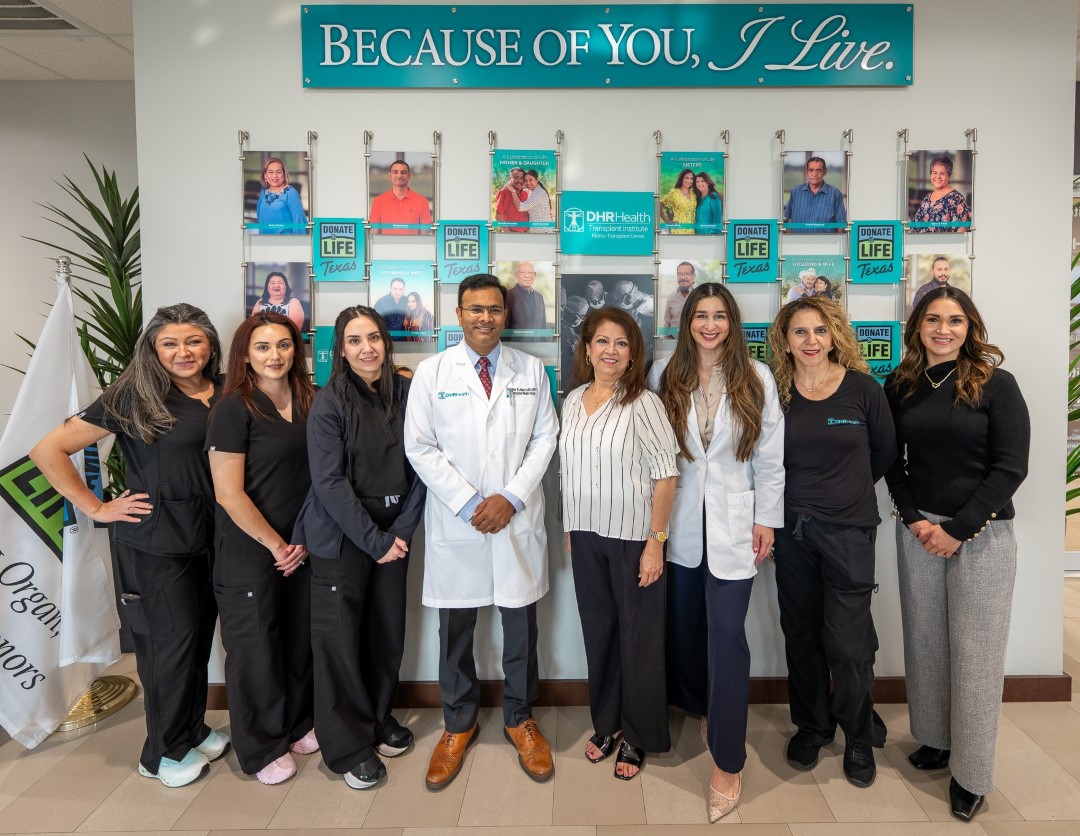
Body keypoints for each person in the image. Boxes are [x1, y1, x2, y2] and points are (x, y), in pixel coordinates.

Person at [30, 304, 227, 788]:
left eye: (194, 341)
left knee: (199, 640)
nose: (184, 352)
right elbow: (47, 449)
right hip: (157, 543)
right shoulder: (134, 395)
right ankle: (160, 753)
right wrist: (96, 507)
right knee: (168, 647)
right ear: (153, 349)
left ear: (210, 344)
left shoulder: (224, 390)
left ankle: (191, 728)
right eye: (171, 343)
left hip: (214, 536)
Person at [405, 273, 559, 790]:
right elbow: (420, 447)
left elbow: (545, 439)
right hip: (460, 521)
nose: (485, 318)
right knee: (456, 634)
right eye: (475, 309)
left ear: (505, 314)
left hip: (513, 519)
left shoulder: (531, 371)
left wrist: (510, 498)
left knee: (520, 631)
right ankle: (458, 723)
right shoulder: (432, 373)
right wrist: (472, 501)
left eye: (494, 309)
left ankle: (520, 718)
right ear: (459, 313)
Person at [884, 287, 1029, 822]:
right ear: (917, 326)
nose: (944, 329)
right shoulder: (901, 384)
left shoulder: (997, 384)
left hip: (982, 536)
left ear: (971, 327)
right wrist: (915, 519)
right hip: (919, 530)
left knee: (976, 655)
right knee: (926, 642)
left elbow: (1011, 466)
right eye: (933, 319)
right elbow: (891, 462)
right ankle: (938, 740)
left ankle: (971, 775)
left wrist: (959, 529)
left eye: (956, 320)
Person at [651, 283, 784, 820]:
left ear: (733, 322)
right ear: (687, 322)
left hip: (735, 525)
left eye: (720, 316)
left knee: (728, 637)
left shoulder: (758, 377)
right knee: (685, 629)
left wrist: (767, 520)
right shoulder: (665, 374)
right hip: (679, 525)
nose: (710, 325)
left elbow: (771, 455)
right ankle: (704, 706)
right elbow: (654, 453)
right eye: (700, 315)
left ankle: (728, 761)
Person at [767, 296, 896, 790]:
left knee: (847, 641)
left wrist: (844, 495)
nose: (811, 341)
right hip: (792, 530)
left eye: (820, 330)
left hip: (849, 532)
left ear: (835, 334)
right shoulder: (777, 393)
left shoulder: (863, 390)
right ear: (786, 340)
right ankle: (813, 726)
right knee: (800, 634)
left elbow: (883, 453)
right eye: (800, 332)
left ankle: (858, 736)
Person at [296, 306, 427, 790]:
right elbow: (328, 484)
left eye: (373, 337)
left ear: (385, 342)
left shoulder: (408, 393)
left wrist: (403, 533)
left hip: (394, 538)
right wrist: (374, 541)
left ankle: (376, 719)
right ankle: (347, 745)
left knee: (385, 635)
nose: (367, 348)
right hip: (343, 539)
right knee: (339, 643)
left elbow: (424, 468)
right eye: (354, 341)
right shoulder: (329, 402)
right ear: (341, 349)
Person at [561, 307, 679, 781]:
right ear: (587, 349)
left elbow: (667, 474)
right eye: (602, 342)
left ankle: (638, 733)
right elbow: (567, 471)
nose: (611, 351)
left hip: (634, 539)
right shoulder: (571, 400)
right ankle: (606, 724)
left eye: (622, 344)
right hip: (586, 536)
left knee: (639, 639)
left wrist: (656, 542)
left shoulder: (643, 403)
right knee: (600, 634)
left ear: (633, 355)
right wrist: (570, 526)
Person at [205, 312, 315, 785]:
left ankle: (294, 724)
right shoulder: (233, 408)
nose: (276, 355)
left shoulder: (309, 399)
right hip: (252, 549)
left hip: (302, 546)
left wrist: (301, 541)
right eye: (264, 347)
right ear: (245, 355)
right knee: (255, 648)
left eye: (284, 345)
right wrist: (275, 544)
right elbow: (229, 493)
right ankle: (260, 745)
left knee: (296, 640)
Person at [784, 156, 847, 233]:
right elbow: (789, 220)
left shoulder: (835, 194)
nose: (814, 174)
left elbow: (841, 225)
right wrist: (790, 242)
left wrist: (837, 244)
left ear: (825, 172)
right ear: (806, 172)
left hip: (826, 244)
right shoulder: (796, 191)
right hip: (798, 243)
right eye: (811, 170)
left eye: (818, 170)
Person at [369, 159, 433, 235]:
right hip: (386, 246)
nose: (399, 176)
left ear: (409, 176)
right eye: (395, 172)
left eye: (403, 172)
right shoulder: (378, 201)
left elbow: (424, 235)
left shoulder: (422, 201)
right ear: (390, 175)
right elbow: (374, 234)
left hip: (413, 246)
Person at [911, 155, 972, 233]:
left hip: (943, 244)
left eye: (942, 174)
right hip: (921, 244)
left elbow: (961, 230)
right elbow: (915, 225)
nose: (937, 177)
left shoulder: (956, 199)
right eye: (934, 173)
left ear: (949, 176)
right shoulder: (927, 198)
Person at [255, 157, 307, 234]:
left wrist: (300, 244)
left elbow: (299, 221)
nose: (274, 176)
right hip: (265, 242)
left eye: (278, 172)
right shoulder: (263, 194)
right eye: (270, 172)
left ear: (284, 174)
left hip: (285, 243)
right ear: (265, 175)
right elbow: (260, 221)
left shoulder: (291, 193)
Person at [505, 261, 547, 330]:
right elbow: (505, 327)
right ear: (516, 274)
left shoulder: (539, 296)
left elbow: (543, 325)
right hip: (516, 340)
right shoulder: (509, 296)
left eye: (530, 272)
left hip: (537, 340)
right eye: (523, 272)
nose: (527, 276)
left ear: (534, 275)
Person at [660, 168, 697, 235]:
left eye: (691, 179)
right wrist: (667, 221)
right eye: (687, 178)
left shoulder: (694, 193)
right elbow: (659, 205)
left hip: (692, 229)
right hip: (678, 229)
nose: (689, 181)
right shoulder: (674, 193)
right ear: (681, 178)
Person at [494, 167, 529, 232]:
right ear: (510, 179)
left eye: (521, 178)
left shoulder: (525, 193)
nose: (519, 180)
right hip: (513, 234)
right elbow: (498, 216)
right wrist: (508, 233)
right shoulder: (504, 192)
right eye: (516, 177)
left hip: (526, 233)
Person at [663, 262, 696, 329]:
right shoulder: (671, 298)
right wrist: (668, 338)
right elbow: (667, 322)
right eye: (680, 274)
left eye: (686, 274)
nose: (683, 277)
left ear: (693, 276)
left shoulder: (699, 296)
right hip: (675, 339)